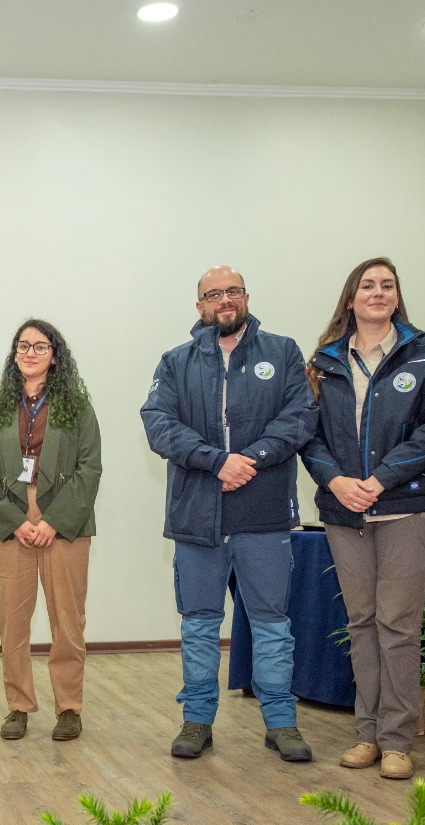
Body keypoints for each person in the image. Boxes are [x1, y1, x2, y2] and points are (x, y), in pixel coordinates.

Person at [141, 266, 318, 762]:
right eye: (212, 294)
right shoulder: (175, 362)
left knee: (271, 625)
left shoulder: (282, 353)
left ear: (246, 298)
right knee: (198, 624)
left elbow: (300, 417)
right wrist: (216, 460)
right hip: (197, 518)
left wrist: (252, 459)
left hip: (263, 514)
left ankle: (280, 722)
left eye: (232, 292)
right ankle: (197, 719)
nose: (224, 300)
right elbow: (158, 424)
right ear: (198, 305)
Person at [302, 258, 425, 780]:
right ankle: (366, 734)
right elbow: (308, 434)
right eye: (367, 285)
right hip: (345, 510)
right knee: (362, 623)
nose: (377, 293)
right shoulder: (323, 362)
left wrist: (381, 478)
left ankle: (396, 740)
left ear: (397, 296)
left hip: (408, 508)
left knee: (397, 625)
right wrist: (335, 480)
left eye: (387, 285)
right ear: (351, 297)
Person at [0, 319, 102, 742]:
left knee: (68, 621)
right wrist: (16, 523)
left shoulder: (78, 408)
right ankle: (19, 706)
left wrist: (52, 522)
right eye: (23, 346)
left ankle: (69, 708)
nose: (30, 352)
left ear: (54, 355)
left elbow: (89, 469)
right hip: (11, 521)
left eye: (40, 346)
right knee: (13, 621)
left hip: (64, 521)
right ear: (14, 355)